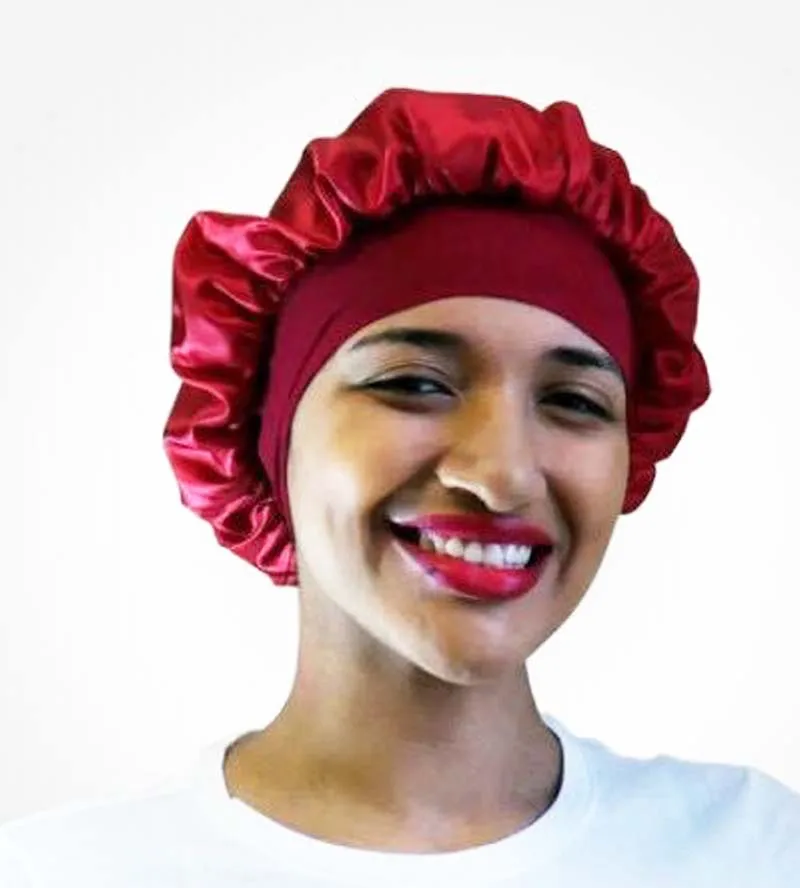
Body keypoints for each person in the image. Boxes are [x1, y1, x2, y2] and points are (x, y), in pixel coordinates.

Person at [1, 87, 797, 886]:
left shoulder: (756, 850)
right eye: (415, 384)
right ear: (266, 436)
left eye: (574, 401)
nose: (503, 475)